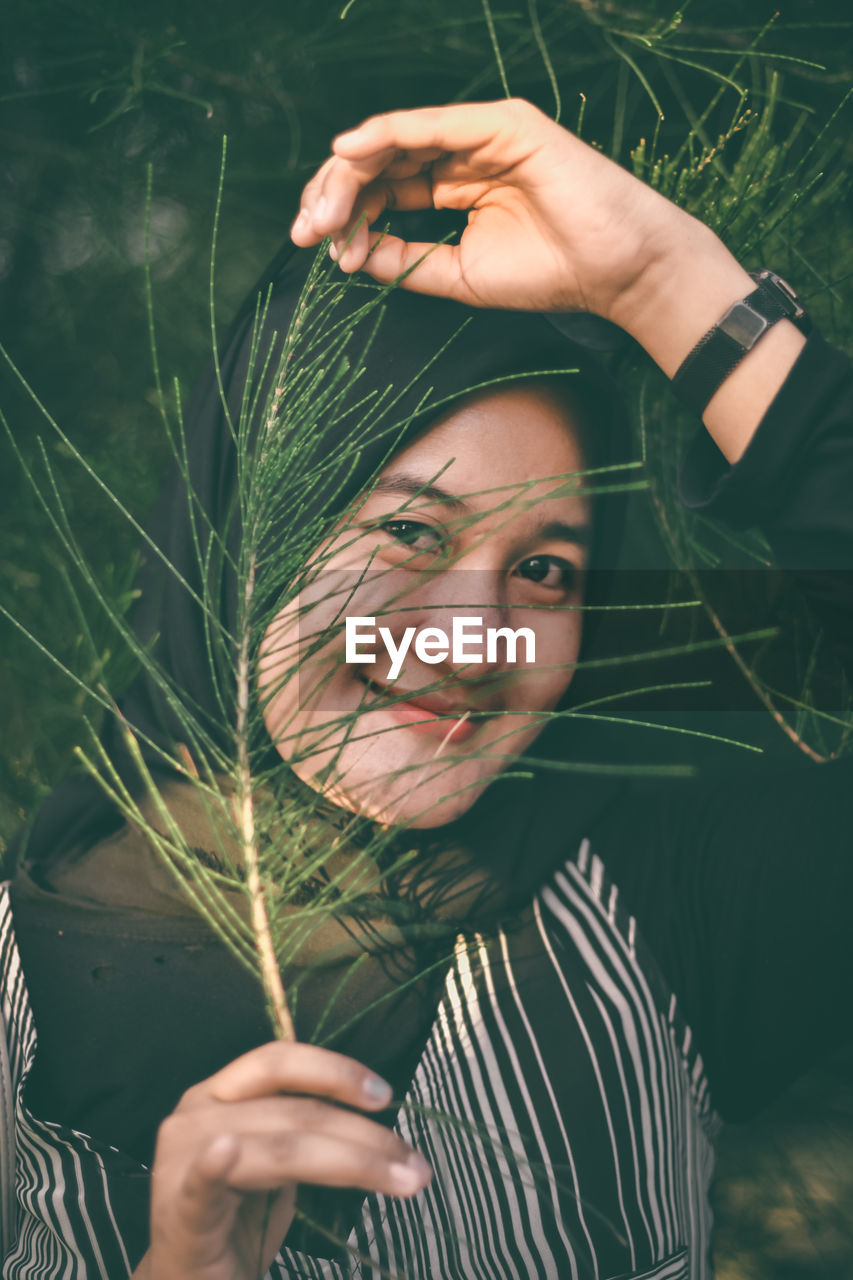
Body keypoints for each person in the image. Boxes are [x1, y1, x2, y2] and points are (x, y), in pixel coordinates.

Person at [1, 97, 851, 1280]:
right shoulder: (16, 977)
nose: (469, 640)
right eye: (407, 528)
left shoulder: (672, 894)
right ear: (238, 533)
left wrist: (668, 284)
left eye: (545, 569)